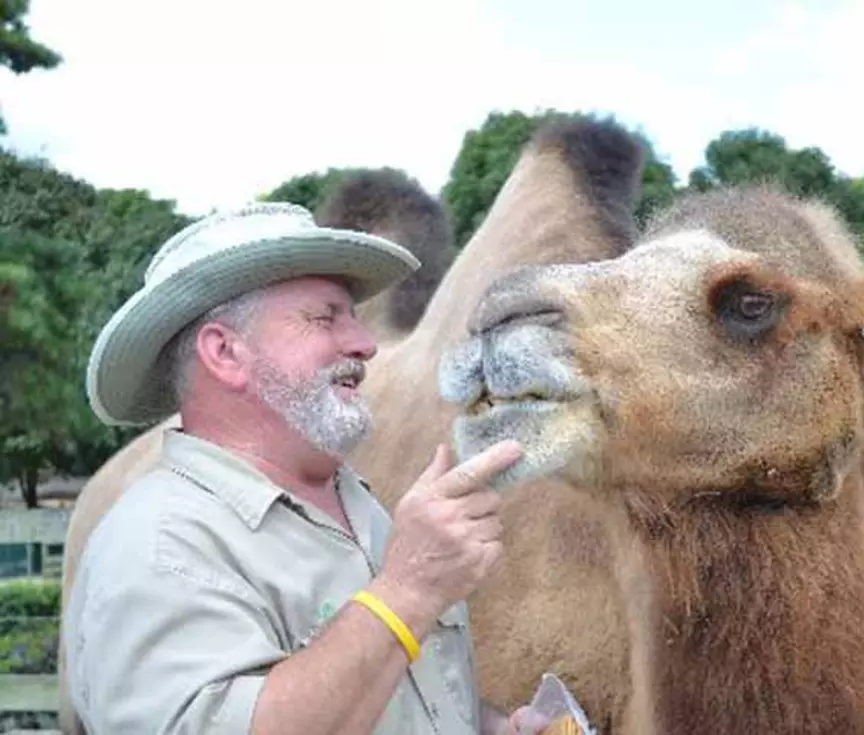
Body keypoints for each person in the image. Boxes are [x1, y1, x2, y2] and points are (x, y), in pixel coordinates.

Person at [64, 202, 552, 735]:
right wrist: (409, 589)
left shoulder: (360, 508)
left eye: (354, 318)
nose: (364, 345)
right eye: (325, 318)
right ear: (225, 353)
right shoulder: (159, 545)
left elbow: (394, 699)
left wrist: (492, 728)